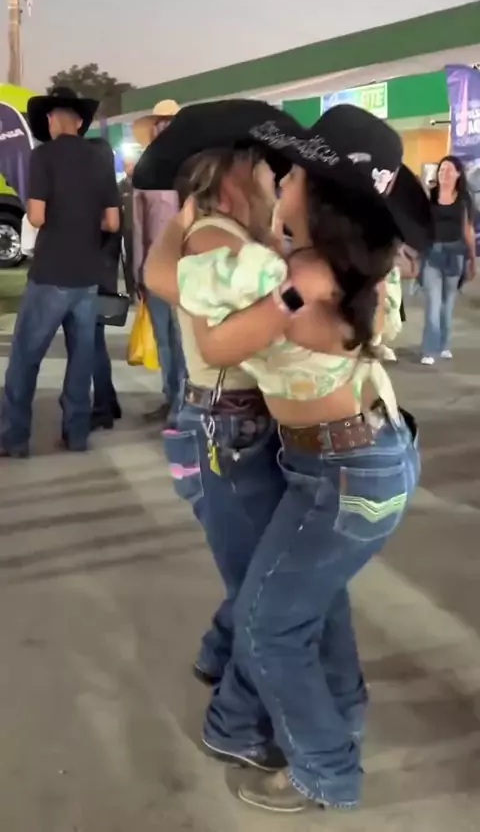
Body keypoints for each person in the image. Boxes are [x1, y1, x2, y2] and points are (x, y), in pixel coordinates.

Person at [142, 101, 431, 812]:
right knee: (299, 608)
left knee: (269, 621)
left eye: (294, 173)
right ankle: (318, 725)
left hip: (346, 469)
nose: (282, 178)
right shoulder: (332, 266)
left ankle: (322, 768)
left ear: (319, 199)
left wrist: (195, 231)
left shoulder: (296, 278)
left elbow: (208, 334)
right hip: (343, 461)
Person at [134, 102, 305, 688]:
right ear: (235, 171)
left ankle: (218, 653)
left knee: (260, 572)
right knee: (263, 583)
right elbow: (176, 292)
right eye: (264, 164)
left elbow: (160, 274)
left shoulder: (222, 233)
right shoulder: (215, 238)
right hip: (231, 425)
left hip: (235, 422)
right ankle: (240, 711)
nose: (273, 176)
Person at [0, 87, 120, 457]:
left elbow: (36, 216)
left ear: (52, 121)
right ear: (80, 122)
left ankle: (14, 438)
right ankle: (76, 436)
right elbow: (112, 222)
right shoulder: (100, 157)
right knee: (81, 360)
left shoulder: (43, 156)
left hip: (51, 272)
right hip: (88, 275)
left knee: (25, 358)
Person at [132, 99, 186, 424]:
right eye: (160, 123)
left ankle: (181, 404)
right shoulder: (147, 171)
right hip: (158, 271)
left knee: (180, 340)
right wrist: (139, 272)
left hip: (181, 271)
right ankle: (172, 399)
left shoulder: (191, 171)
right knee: (166, 340)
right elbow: (138, 228)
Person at [420, 155, 476, 365]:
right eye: (442, 169)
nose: (444, 173)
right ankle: (429, 349)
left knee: (447, 304)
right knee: (433, 303)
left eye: (449, 170)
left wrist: (472, 259)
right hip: (432, 254)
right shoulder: (430, 194)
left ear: (458, 174)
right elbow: (421, 224)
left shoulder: (464, 199)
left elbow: (468, 230)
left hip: (455, 255)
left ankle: (444, 345)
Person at [88, 138, 123, 431]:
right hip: (105, 274)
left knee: (91, 345)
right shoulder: (112, 192)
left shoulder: (96, 195)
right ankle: (108, 400)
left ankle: (102, 408)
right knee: (96, 342)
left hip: (91, 278)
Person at [118, 159, 136, 297]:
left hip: (141, 228)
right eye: (127, 166)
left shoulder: (142, 185)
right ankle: (130, 290)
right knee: (129, 259)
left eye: (132, 165)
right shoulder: (120, 187)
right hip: (128, 228)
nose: (130, 168)